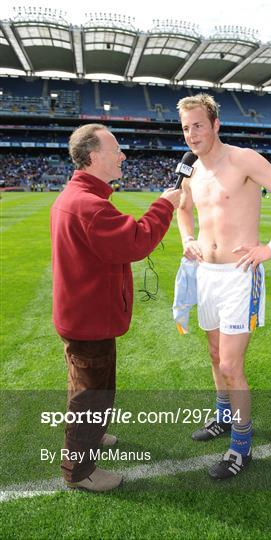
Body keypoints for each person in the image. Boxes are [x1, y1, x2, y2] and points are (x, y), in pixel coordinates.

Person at [176, 94, 271, 480]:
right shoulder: (192, 169)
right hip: (207, 275)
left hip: (239, 275)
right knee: (216, 356)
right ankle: (222, 419)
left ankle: (241, 447)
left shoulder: (243, 159)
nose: (192, 134)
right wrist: (187, 239)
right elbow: (182, 208)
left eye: (198, 125)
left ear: (216, 125)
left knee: (232, 365)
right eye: (185, 127)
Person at [50, 123, 181, 492]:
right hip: (89, 319)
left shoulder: (79, 196)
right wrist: (164, 204)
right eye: (116, 150)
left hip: (84, 314)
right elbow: (135, 243)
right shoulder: (89, 205)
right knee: (90, 395)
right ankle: (78, 471)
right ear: (93, 157)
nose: (123, 156)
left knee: (91, 386)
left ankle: (95, 434)